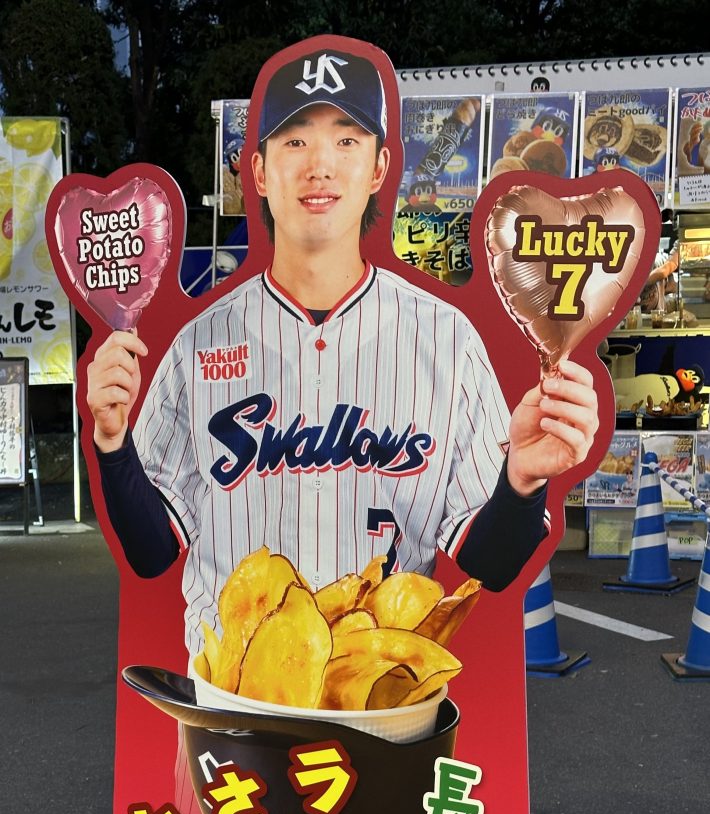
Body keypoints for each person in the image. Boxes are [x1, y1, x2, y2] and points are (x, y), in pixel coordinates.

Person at [87, 45, 599, 667]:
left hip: (384, 704)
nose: (320, 165)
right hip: (230, 715)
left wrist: (522, 482)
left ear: (381, 166)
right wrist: (113, 445)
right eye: (295, 141)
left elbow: (486, 562)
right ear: (258, 172)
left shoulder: (447, 339)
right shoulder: (199, 344)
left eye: (346, 140)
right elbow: (152, 551)